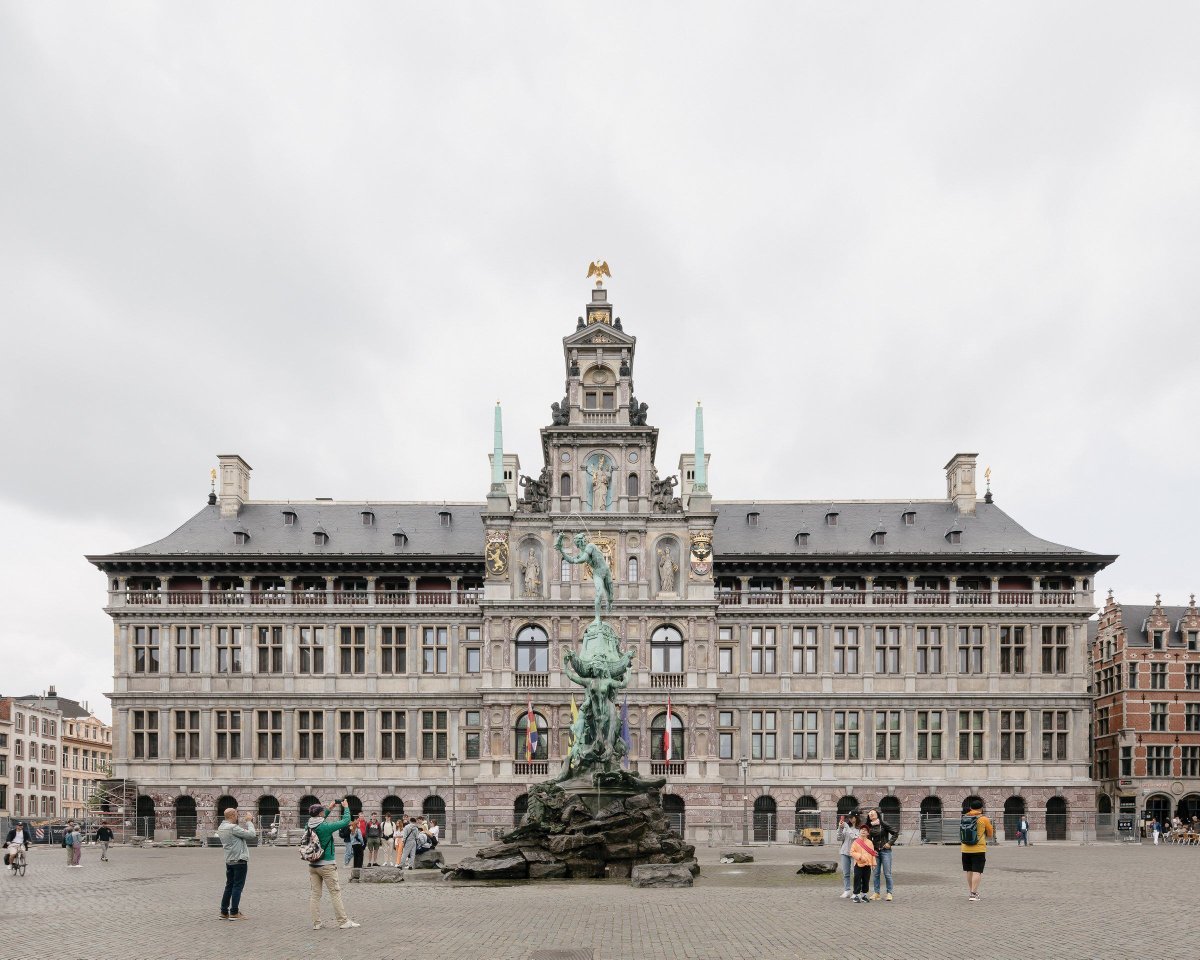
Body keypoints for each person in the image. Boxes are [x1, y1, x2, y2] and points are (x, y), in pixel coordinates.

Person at [304, 800, 359, 930]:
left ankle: (316, 923)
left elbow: (319, 819)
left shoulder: (308, 825)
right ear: (320, 813)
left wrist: (329, 808)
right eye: (323, 811)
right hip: (327, 865)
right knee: (335, 893)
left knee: (315, 895)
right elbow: (345, 822)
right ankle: (343, 921)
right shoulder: (325, 827)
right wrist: (346, 808)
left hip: (313, 865)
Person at [217, 806, 255, 920]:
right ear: (232, 815)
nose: (238, 817)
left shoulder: (221, 827)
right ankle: (234, 912)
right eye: (237, 815)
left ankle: (224, 911)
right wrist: (249, 822)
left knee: (229, 886)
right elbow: (251, 835)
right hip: (239, 860)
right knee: (237, 886)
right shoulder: (233, 827)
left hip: (229, 860)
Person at [960, 796, 994, 902]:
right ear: (981, 808)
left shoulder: (964, 817)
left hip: (965, 848)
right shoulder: (984, 819)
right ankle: (973, 894)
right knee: (977, 871)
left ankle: (972, 891)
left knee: (969, 871)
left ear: (970, 808)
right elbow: (990, 834)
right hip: (978, 849)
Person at [865, 808, 898, 901]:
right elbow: (867, 840)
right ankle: (876, 893)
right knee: (876, 873)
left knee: (887, 873)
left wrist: (889, 843)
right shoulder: (868, 827)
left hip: (885, 851)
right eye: (869, 813)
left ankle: (889, 893)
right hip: (875, 853)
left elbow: (895, 832)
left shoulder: (883, 824)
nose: (871, 814)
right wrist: (870, 851)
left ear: (877, 814)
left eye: (873, 812)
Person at [850, 824, 877, 903]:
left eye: (865, 830)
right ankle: (856, 895)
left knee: (866, 880)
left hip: (867, 864)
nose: (863, 831)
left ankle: (864, 895)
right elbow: (852, 852)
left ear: (868, 833)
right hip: (858, 864)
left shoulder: (870, 842)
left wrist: (873, 864)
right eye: (862, 829)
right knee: (857, 879)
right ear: (859, 832)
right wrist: (860, 857)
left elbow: (872, 853)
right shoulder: (856, 842)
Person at [835, 811, 859, 898]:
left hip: (855, 853)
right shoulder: (846, 827)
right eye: (849, 817)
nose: (850, 819)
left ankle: (856, 891)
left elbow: (855, 837)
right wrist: (840, 828)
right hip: (844, 852)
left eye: (852, 817)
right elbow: (839, 838)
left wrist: (847, 827)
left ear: (856, 817)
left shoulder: (860, 828)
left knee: (855, 873)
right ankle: (847, 890)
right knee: (846, 873)